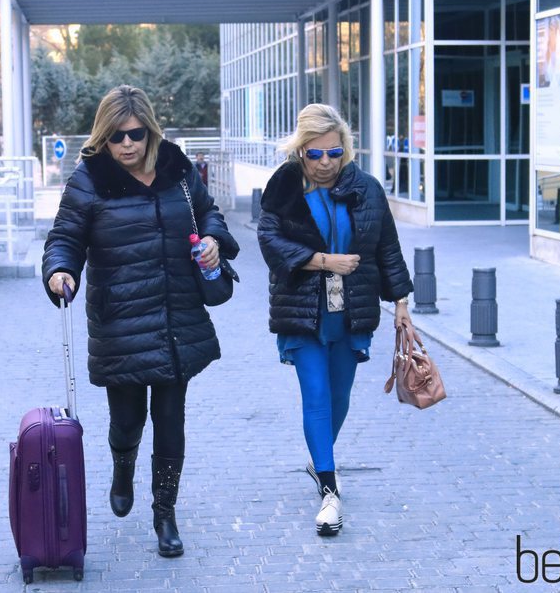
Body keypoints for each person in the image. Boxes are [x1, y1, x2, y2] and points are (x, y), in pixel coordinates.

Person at [43, 85, 239, 558]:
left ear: (150, 131)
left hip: (177, 317)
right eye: (115, 137)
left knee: (171, 421)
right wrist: (59, 270)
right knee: (127, 420)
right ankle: (122, 467)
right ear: (102, 139)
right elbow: (64, 237)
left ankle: (165, 514)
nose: (126, 145)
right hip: (121, 323)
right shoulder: (88, 180)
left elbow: (211, 214)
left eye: (134, 134)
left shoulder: (178, 169)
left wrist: (213, 239)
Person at [256, 103, 413, 537]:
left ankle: (318, 457)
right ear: (300, 150)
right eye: (315, 154)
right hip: (302, 309)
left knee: (340, 397)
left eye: (334, 153)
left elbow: (386, 247)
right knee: (317, 394)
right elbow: (268, 239)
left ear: (344, 148)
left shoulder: (366, 188)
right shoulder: (285, 187)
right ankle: (329, 490)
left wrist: (400, 301)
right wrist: (320, 260)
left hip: (351, 309)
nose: (325, 162)